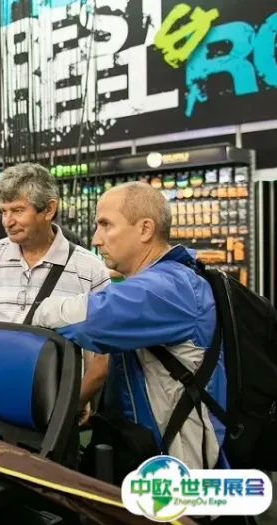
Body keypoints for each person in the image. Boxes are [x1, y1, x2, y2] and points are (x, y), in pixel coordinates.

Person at [31, 181, 226, 470]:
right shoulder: (164, 281)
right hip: (148, 456)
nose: (96, 239)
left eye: (106, 225)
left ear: (145, 229)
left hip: (178, 474)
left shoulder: (169, 287)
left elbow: (89, 319)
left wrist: (39, 310)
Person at [0, 163, 111, 422]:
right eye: (4, 211)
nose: (7, 221)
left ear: (49, 209)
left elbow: (102, 354)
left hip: (53, 411)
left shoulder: (89, 268)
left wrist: (73, 403)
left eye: (17, 210)